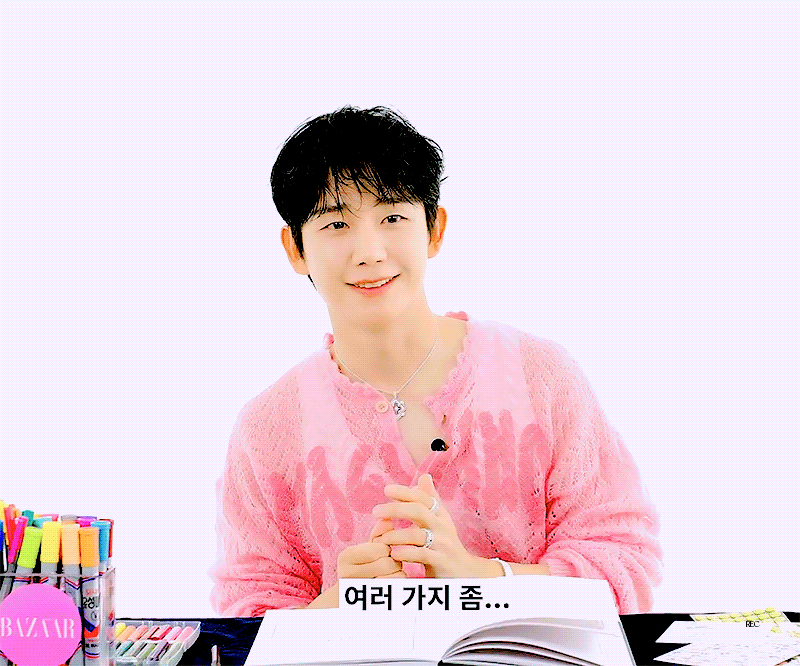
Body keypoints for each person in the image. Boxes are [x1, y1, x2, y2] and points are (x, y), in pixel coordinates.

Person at [209, 106, 662, 616]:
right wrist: (336, 608)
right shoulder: (267, 428)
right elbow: (245, 617)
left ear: (434, 229)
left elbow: (624, 561)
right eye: (336, 223)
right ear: (295, 249)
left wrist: (481, 577)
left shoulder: (539, 375)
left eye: (392, 218)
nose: (369, 252)